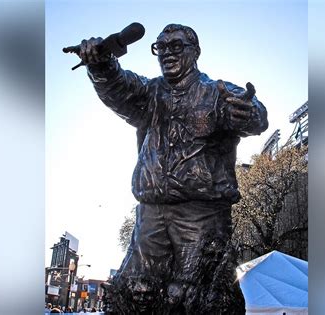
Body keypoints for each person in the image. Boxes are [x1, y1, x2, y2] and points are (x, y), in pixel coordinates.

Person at [78, 23, 268, 314]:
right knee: (133, 291)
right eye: (161, 47)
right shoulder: (149, 93)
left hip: (202, 216)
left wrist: (249, 113)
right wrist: (101, 64)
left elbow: (254, 112)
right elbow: (119, 87)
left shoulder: (216, 92)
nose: (167, 53)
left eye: (176, 46)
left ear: (195, 52)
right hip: (151, 216)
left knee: (198, 297)